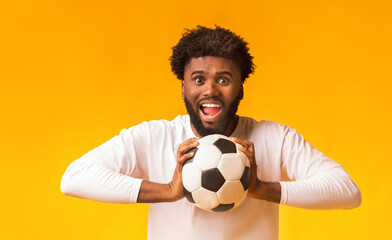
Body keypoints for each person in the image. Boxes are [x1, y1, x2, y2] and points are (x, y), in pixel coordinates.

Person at [61, 25, 361, 240]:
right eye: (199, 79)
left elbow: (348, 191)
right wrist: (168, 190)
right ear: (183, 88)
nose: (210, 90)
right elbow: (74, 178)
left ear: (240, 87)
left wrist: (259, 187)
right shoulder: (154, 136)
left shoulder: (274, 137)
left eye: (224, 79)